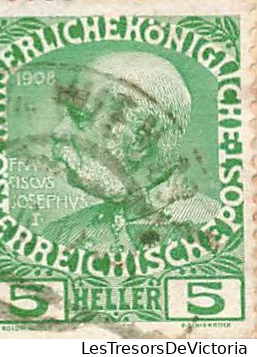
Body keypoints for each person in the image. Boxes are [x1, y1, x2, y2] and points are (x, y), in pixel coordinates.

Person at [41, 51, 220, 253]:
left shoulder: (216, 233)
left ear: (140, 139)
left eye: (80, 118)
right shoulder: (58, 236)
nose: (58, 131)